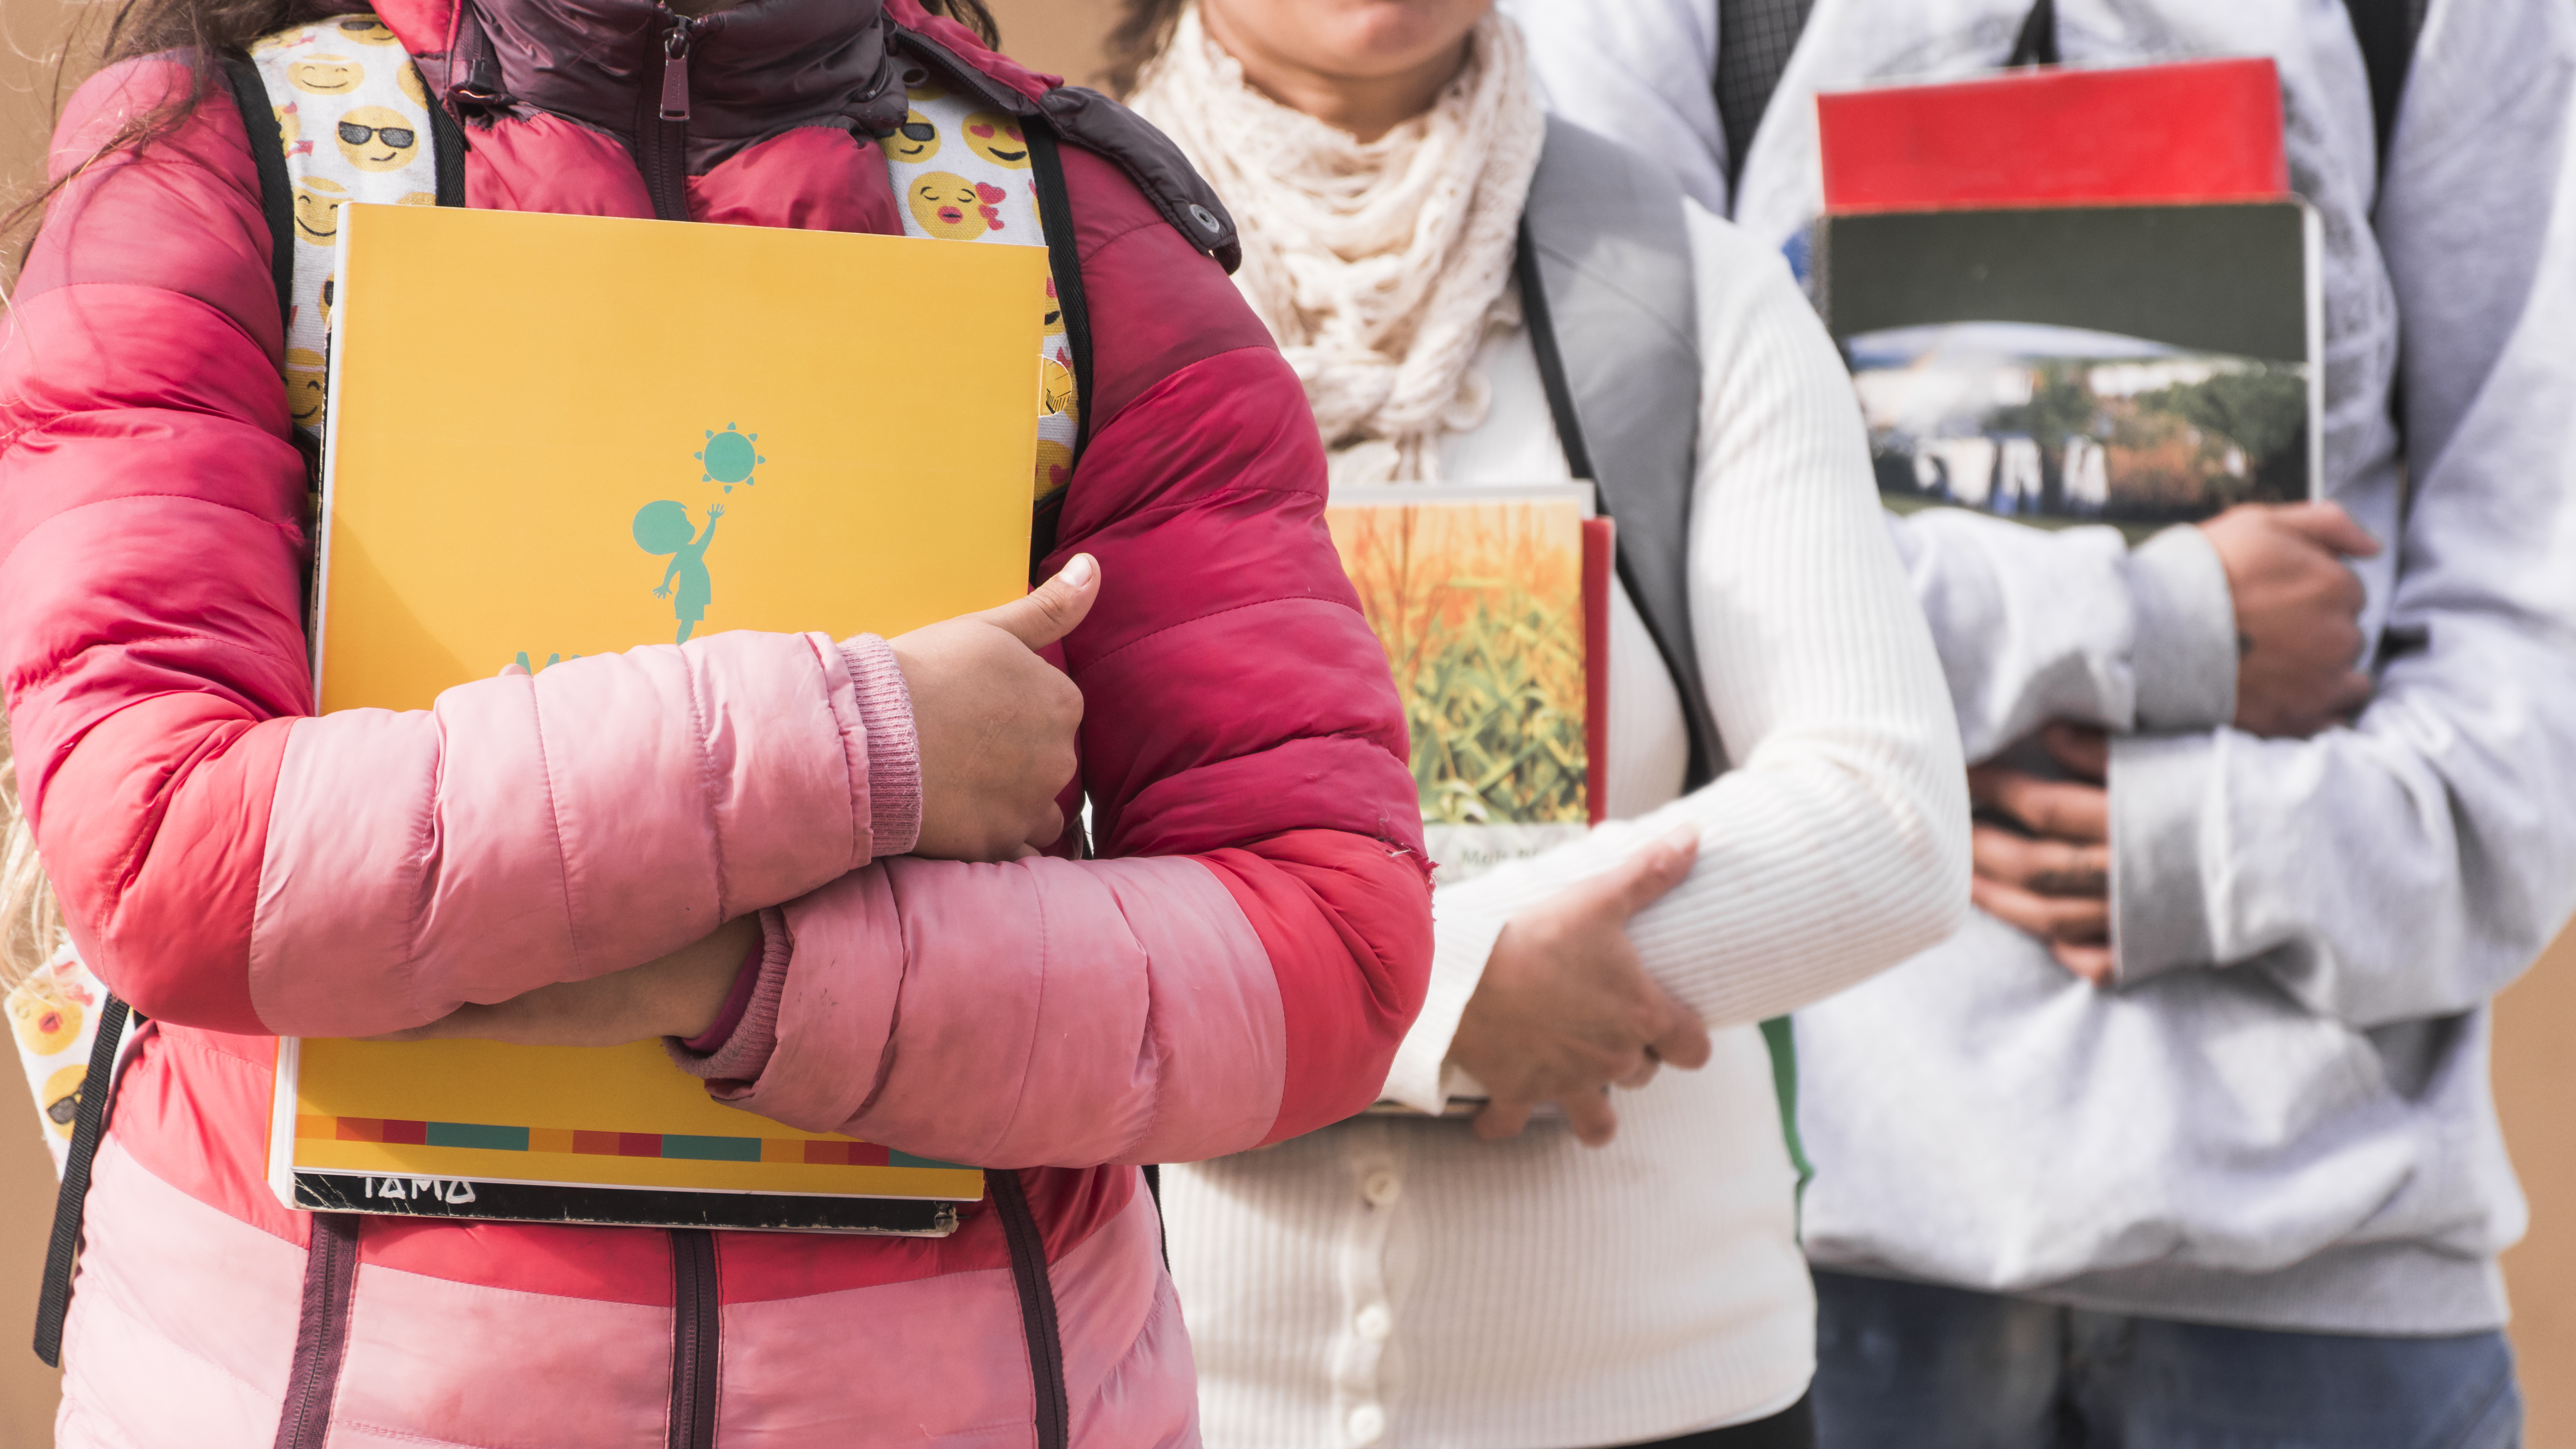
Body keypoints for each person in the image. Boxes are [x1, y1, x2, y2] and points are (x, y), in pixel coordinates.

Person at [0, 0, 1437, 1442]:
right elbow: (168, 851)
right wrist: (863, 739)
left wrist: (746, 977)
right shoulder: (231, 163)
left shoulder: (1070, 218)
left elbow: (1325, 944)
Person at [1503, 0, 2576, 1442]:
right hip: (1791, 1262)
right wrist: (2164, 621)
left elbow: (2539, 626)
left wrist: (2218, 848)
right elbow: (1632, 553)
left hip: (2333, 1272)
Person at [1114, 2, 1970, 1445]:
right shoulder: (1035, 270)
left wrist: (1439, 976)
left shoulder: (1689, 292)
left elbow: (1885, 823)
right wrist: (1435, 1002)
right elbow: (972, 821)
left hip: (1671, 1397)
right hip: (1151, 1390)